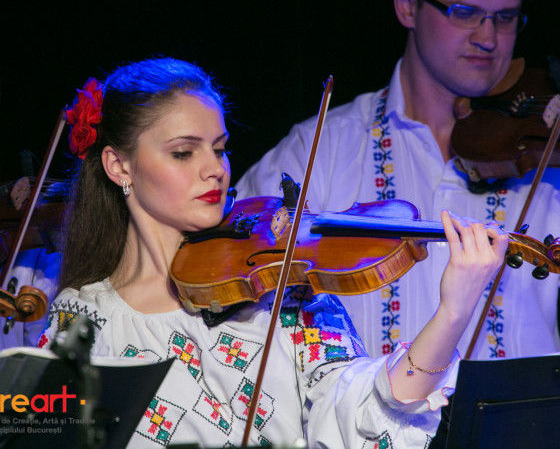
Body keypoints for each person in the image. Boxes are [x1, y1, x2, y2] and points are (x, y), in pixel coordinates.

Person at [36, 57, 507, 448]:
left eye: (219, 149)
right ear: (119, 166)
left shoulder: (280, 285)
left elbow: (363, 408)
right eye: (183, 152)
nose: (215, 169)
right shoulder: (82, 319)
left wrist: (453, 312)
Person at [235, 0, 560, 361]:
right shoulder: (322, 146)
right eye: (464, 12)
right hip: (369, 405)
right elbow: (235, 269)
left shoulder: (543, 154)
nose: (489, 38)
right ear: (407, 5)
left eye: (506, 17)